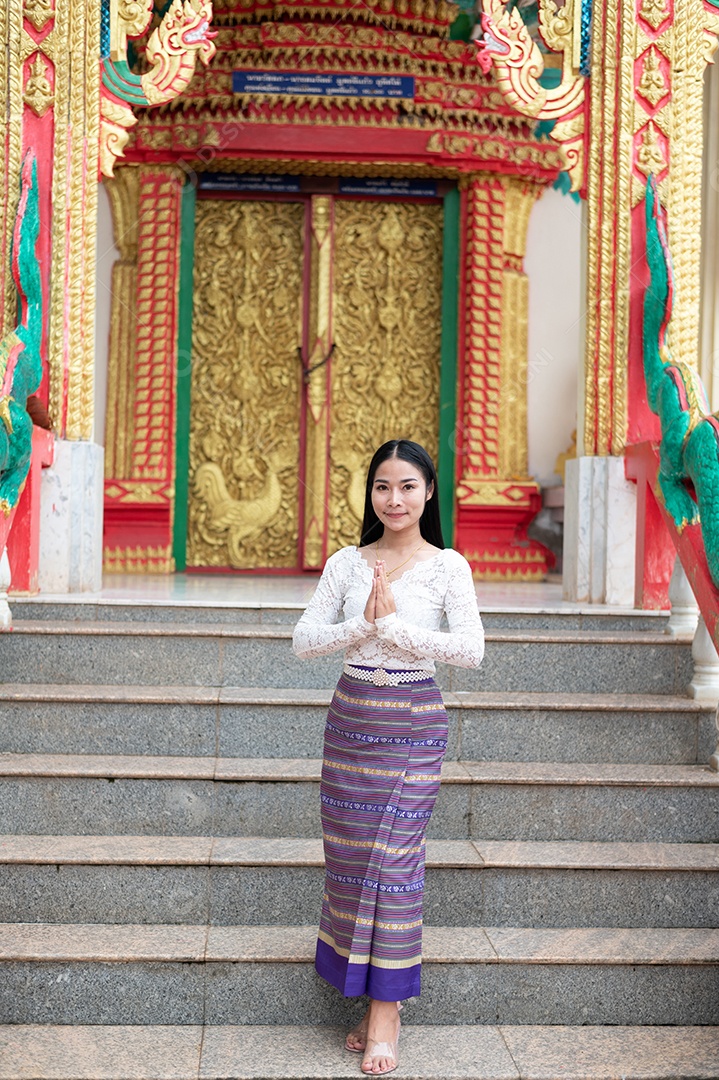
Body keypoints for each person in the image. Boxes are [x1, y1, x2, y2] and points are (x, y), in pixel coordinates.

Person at [292, 439, 485, 1076]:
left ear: (429, 492)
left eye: (407, 486)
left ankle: (386, 1015)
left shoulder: (448, 566)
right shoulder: (347, 563)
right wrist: (363, 627)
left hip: (413, 726)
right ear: (369, 493)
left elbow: (470, 650)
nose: (394, 499)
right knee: (350, 864)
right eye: (382, 486)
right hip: (350, 723)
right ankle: (368, 992)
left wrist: (397, 627)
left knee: (393, 863)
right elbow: (304, 640)